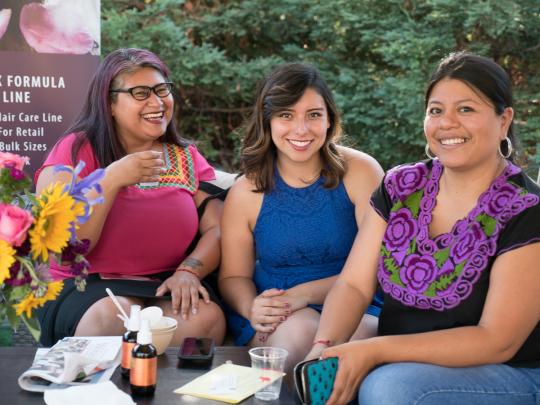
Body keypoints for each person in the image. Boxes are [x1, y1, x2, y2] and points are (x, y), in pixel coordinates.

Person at [306, 52, 540, 404]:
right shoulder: (400, 186)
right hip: (401, 357)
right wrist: (324, 346)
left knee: (389, 389)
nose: (447, 123)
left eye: (465, 109)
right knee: (323, 373)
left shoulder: (526, 208)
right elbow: (353, 284)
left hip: (509, 371)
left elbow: (497, 340)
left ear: (503, 119)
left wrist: (374, 350)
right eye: (435, 110)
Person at [35, 48, 226, 347]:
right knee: (113, 317)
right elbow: (66, 249)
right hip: (87, 286)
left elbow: (218, 228)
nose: (157, 102)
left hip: (163, 284)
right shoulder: (75, 151)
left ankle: (157, 391)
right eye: (140, 92)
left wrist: (189, 271)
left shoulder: (185, 156)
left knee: (205, 319)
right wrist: (110, 180)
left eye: (162, 90)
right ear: (109, 103)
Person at [219, 63, 384, 369]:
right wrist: (253, 306)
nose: (301, 129)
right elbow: (233, 276)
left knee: (351, 339)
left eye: (313, 115)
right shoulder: (244, 192)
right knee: (300, 333)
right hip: (280, 309)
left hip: (357, 300)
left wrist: (304, 294)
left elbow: (378, 267)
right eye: (286, 115)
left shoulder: (362, 172)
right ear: (267, 121)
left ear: (329, 119)